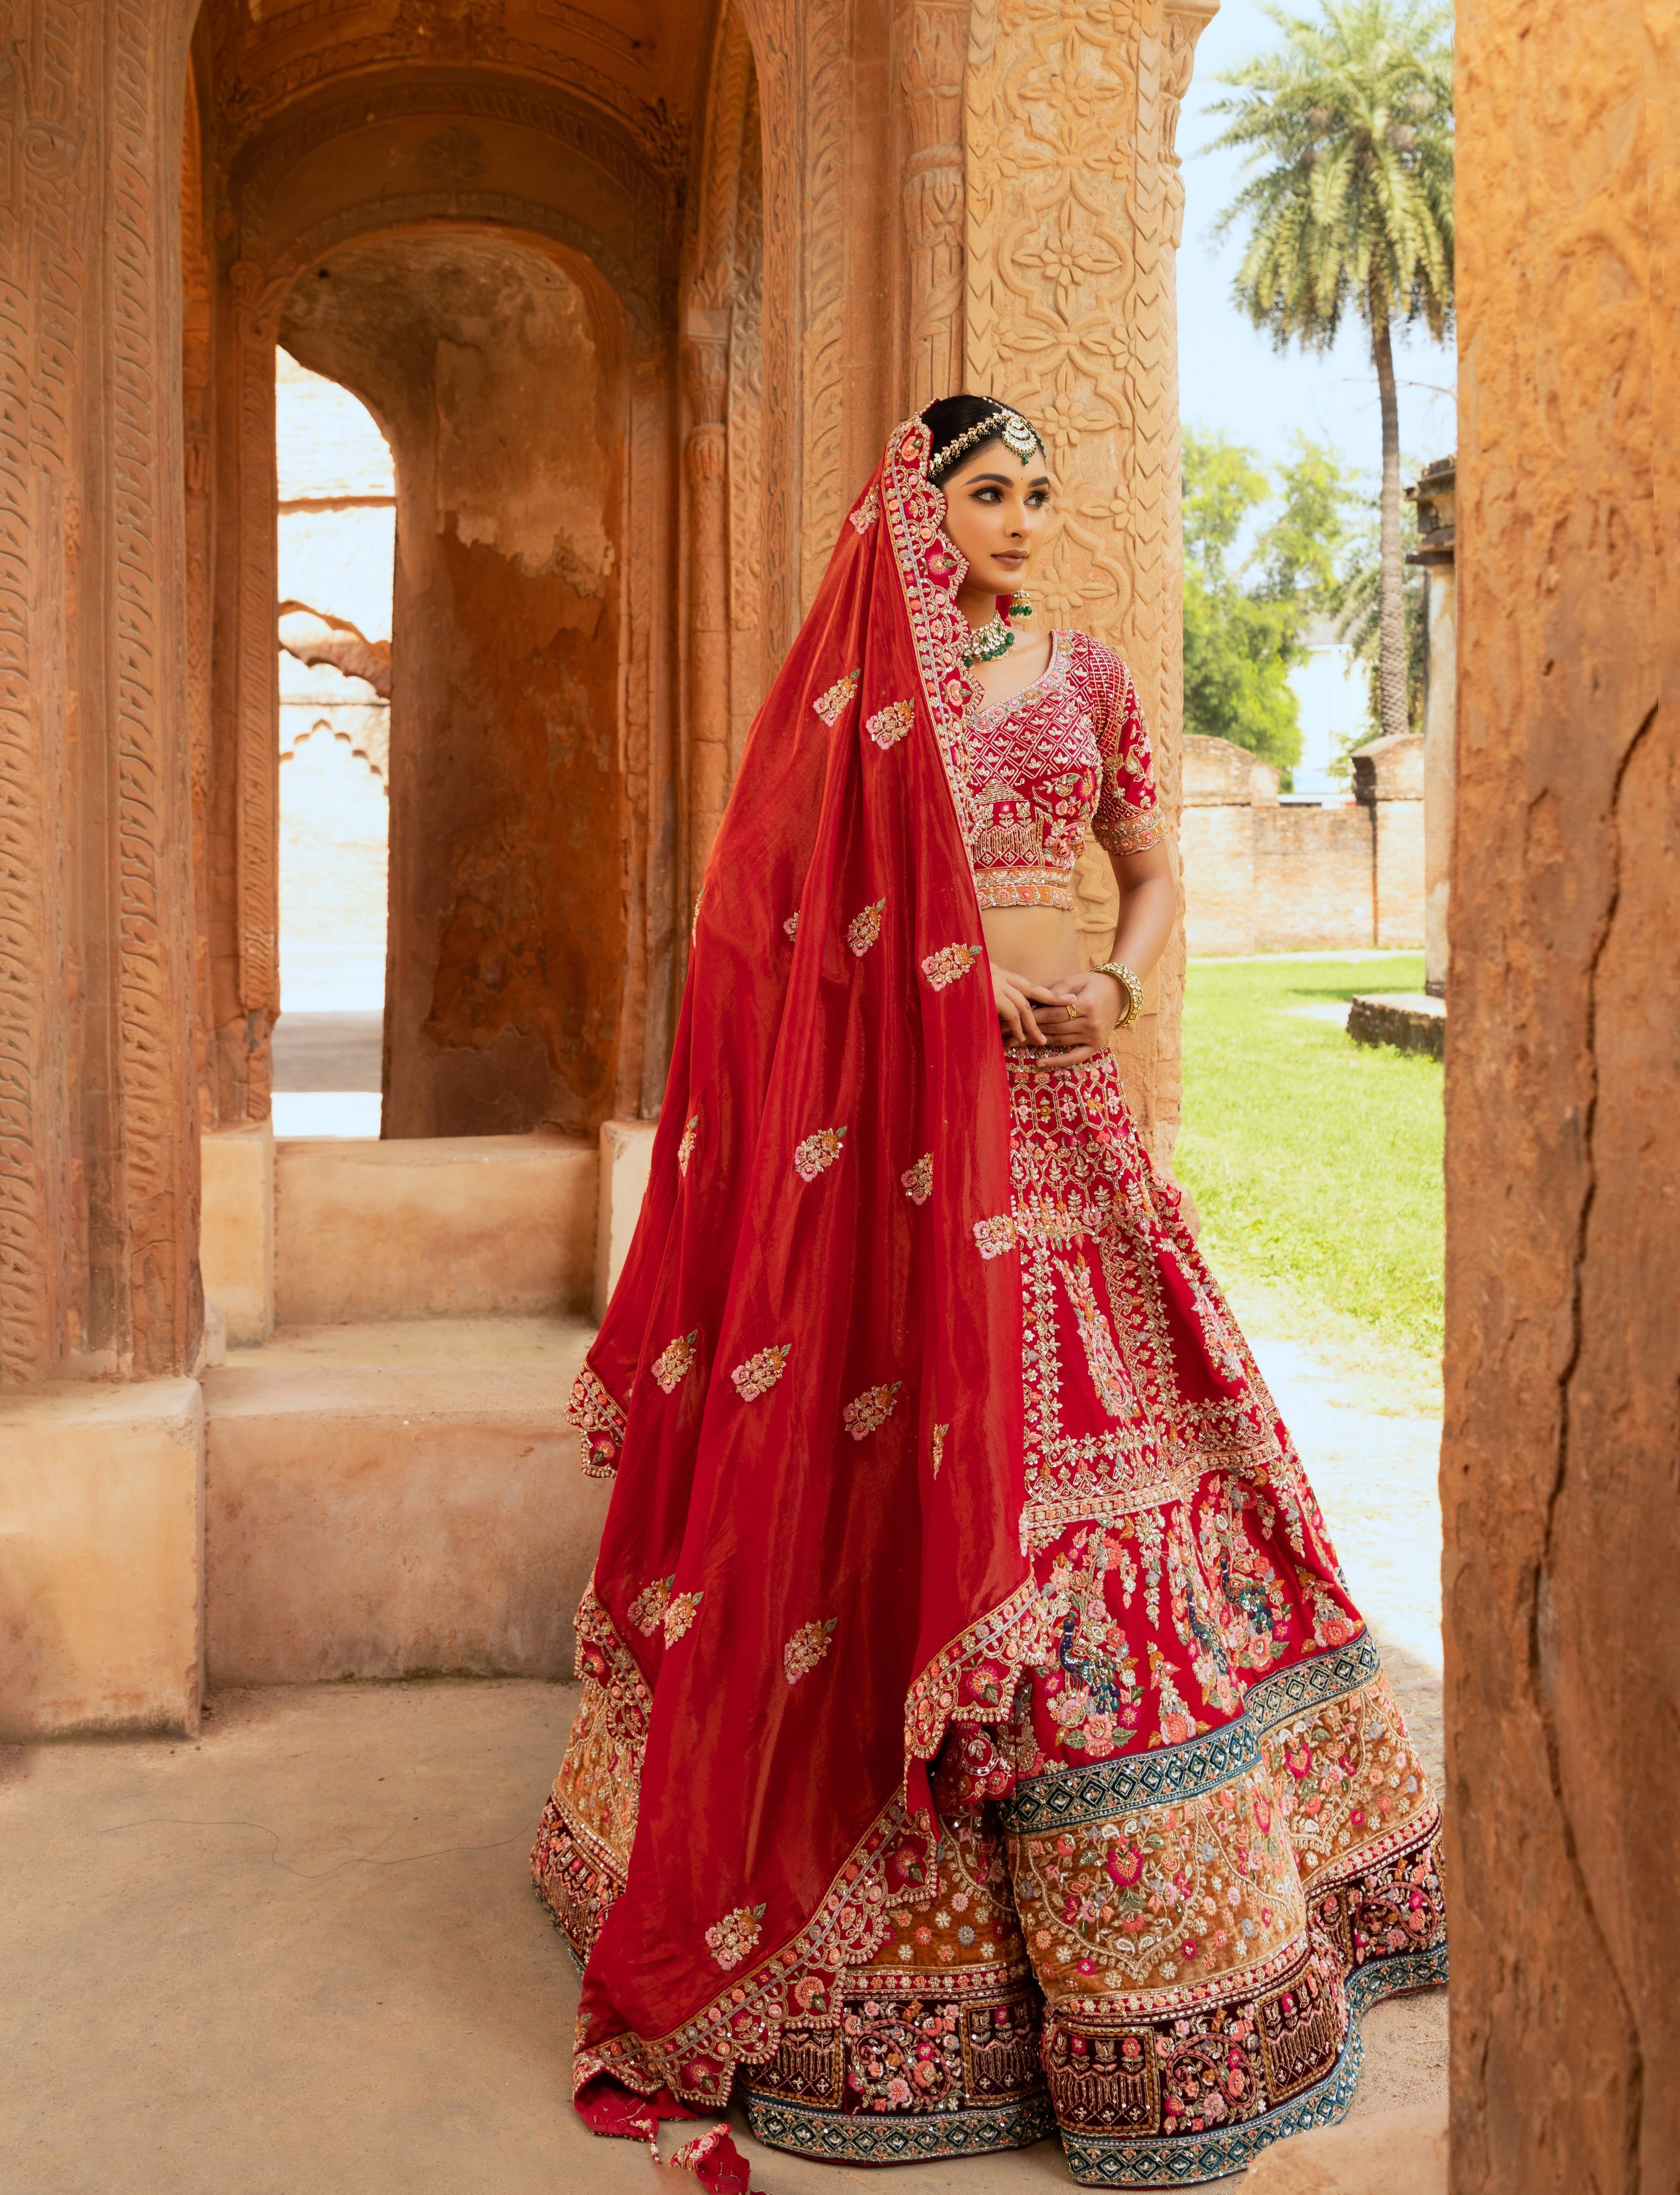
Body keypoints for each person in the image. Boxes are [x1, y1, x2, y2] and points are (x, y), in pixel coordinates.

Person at [532, 398, 1446, 2186]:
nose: (1021, 521)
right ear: (917, 503)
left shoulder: (1093, 676)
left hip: (1071, 1118)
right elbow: (770, 933)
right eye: (986, 492)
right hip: (908, 1145)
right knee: (907, 1481)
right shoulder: (859, 703)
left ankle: (1185, 1968)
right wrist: (931, 1009)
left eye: (1037, 494)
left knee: (1150, 1457)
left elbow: (1154, 868)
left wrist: (1113, 985)